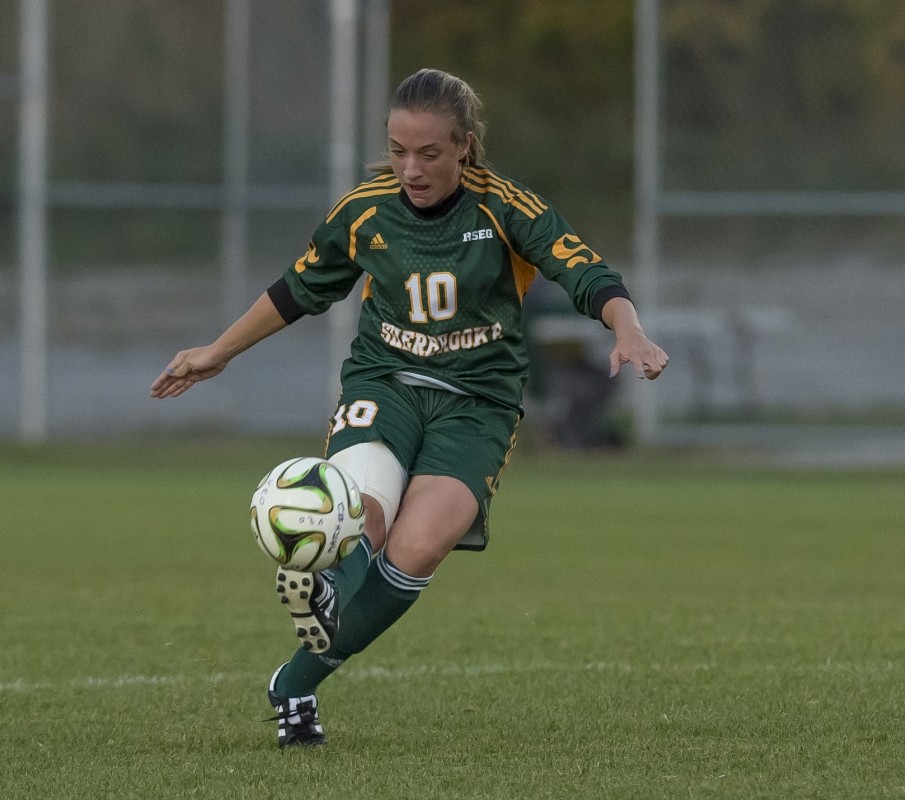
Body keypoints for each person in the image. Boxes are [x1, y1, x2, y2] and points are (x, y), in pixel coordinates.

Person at [150, 68, 668, 747]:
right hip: (384, 384)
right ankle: (329, 579)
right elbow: (299, 288)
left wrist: (627, 329)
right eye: (397, 151)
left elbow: (587, 271)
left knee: (419, 547)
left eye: (428, 153)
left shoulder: (504, 208)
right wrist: (220, 350)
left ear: (464, 146)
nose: (411, 168)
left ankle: (295, 680)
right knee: (358, 520)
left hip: (478, 403)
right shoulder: (365, 212)